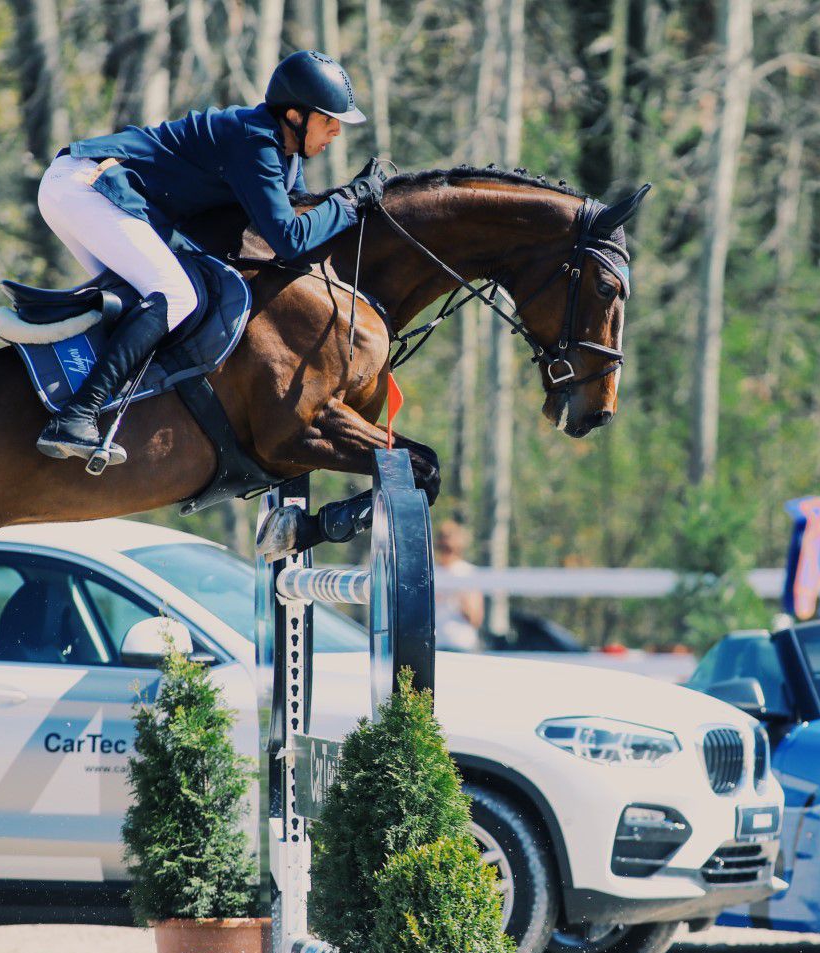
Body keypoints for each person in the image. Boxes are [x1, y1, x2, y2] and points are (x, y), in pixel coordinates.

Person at [33, 50, 383, 467]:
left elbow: (290, 228)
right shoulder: (254, 140)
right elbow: (289, 238)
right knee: (176, 295)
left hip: (87, 191)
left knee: (155, 303)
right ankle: (77, 415)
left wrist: (349, 208)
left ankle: (91, 405)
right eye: (329, 122)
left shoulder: (281, 155)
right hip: (86, 184)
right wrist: (348, 202)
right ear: (294, 116)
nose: (336, 134)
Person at [434, 520, 486, 652]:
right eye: (444, 547)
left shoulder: (469, 573)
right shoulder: (430, 573)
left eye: (451, 548)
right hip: (435, 646)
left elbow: (476, 619)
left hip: (463, 646)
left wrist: (461, 598)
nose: (447, 551)